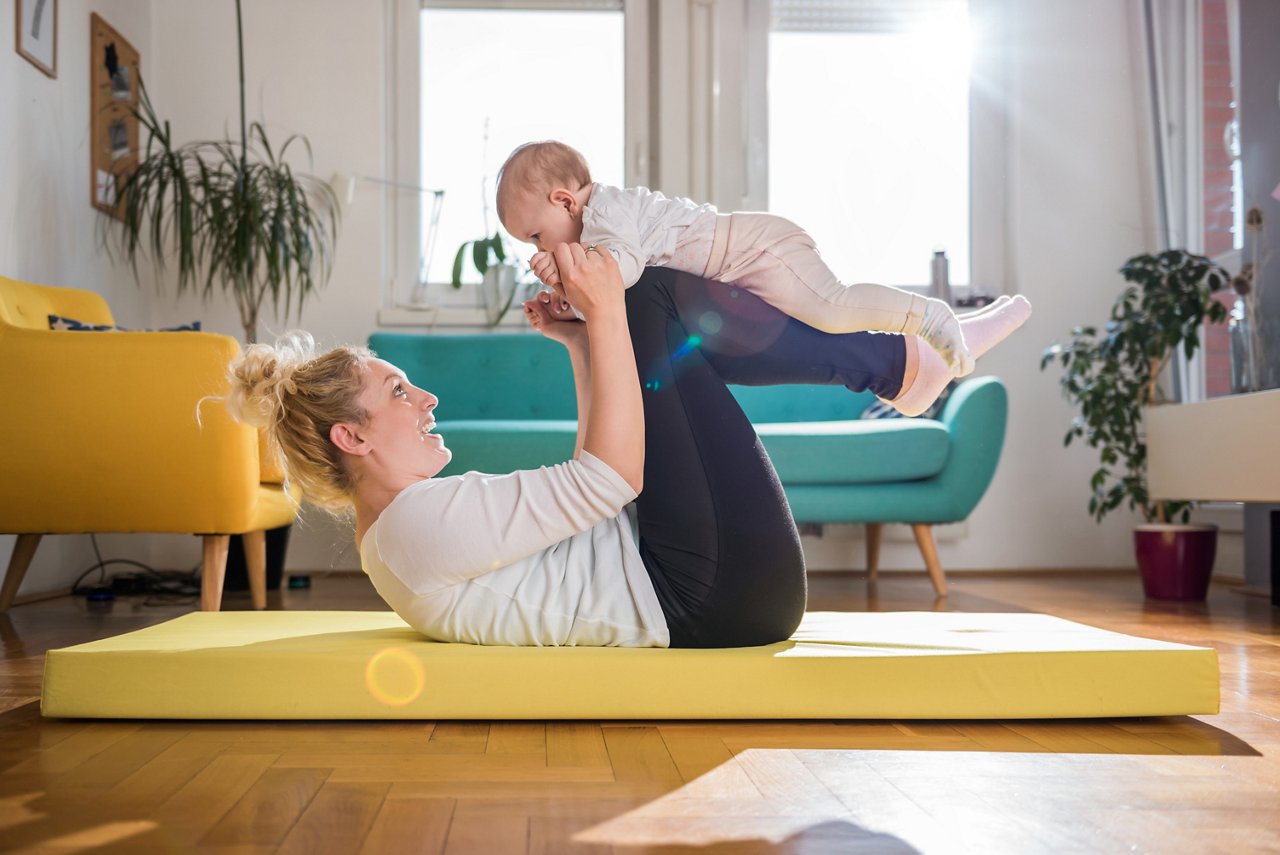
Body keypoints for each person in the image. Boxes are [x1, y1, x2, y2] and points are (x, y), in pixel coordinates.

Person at [224, 246, 1029, 649]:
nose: (426, 398)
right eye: (399, 390)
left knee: (651, 297)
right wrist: (609, 315)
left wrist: (586, 346)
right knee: (644, 290)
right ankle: (898, 366)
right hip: (710, 591)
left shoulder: (406, 529)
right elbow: (609, 479)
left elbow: (591, 496)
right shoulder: (414, 529)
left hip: (692, 572)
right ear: (351, 435)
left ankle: (898, 367)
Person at [495, 140, 1022, 381]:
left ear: (566, 201)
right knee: (819, 334)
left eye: (537, 235)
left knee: (834, 309)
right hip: (740, 269)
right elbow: (612, 302)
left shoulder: (606, 211)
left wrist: (567, 271)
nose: (539, 250)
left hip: (758, 249)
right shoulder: (595, 232)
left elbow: (622, 270)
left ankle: (931, 317)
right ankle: (910, 371)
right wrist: (571, 305)